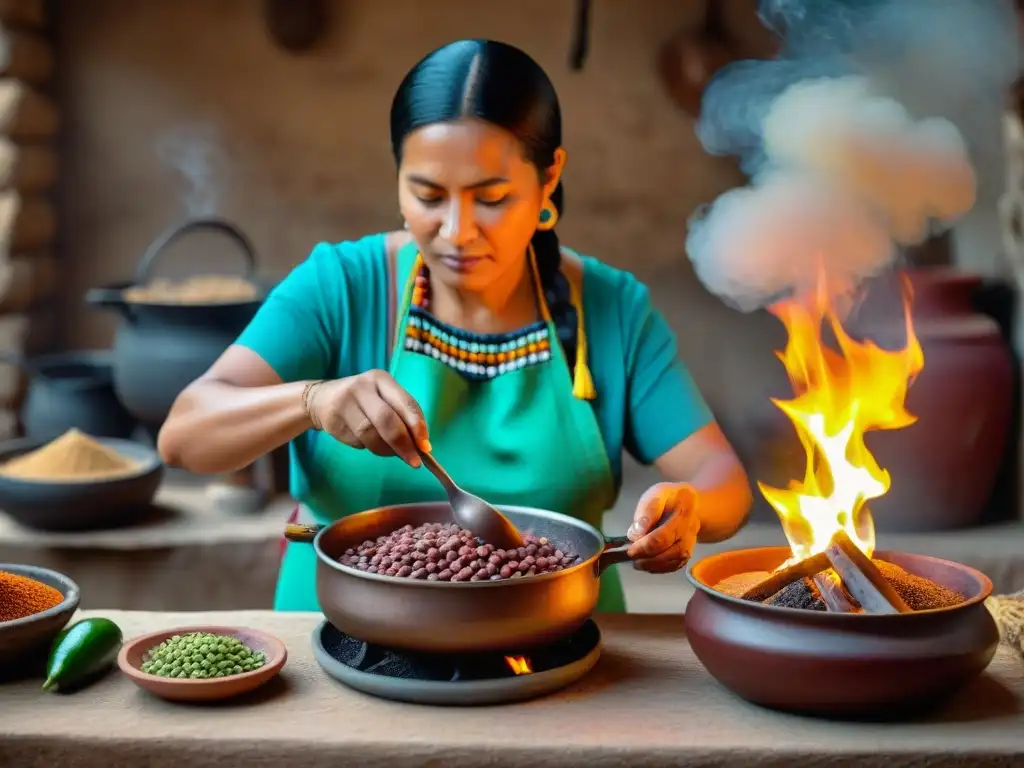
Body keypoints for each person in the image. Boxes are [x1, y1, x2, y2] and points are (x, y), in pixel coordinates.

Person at [157, 39, 753, 613]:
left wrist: (688, 509)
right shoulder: (340, 285)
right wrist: (312, 401)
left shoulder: (612, 308)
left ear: (548, 181)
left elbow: (721, 479)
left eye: (491, 198)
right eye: (428, 195)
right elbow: (184, 435)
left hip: (562, 654)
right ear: (398, 181)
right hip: (336, 649)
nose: (456, 231)